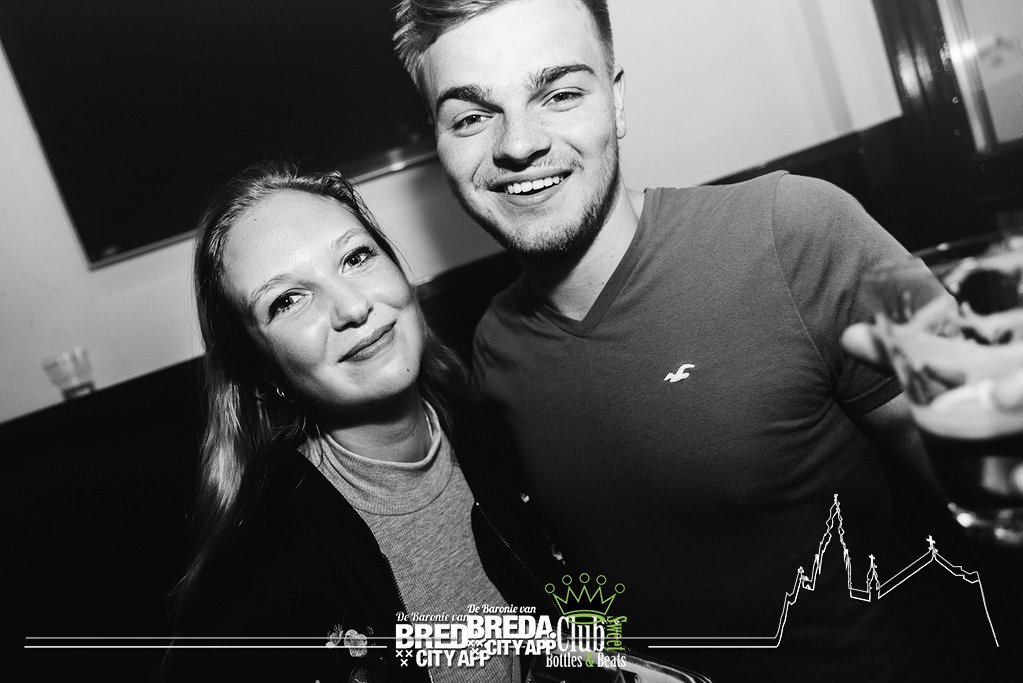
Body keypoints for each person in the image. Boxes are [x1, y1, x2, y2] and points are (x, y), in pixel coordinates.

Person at [392, 1, 961, 681]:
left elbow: (992, 475)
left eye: (560, 94)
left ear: (617, 101)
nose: (518, 143)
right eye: (470, 117)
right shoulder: (493, 347)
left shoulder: (796, 229)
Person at [164, 162, 560, 682]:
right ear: (261, 371)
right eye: (287, 300)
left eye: (355, 257)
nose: (352, 307)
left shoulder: (499, 429)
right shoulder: (258, 583)